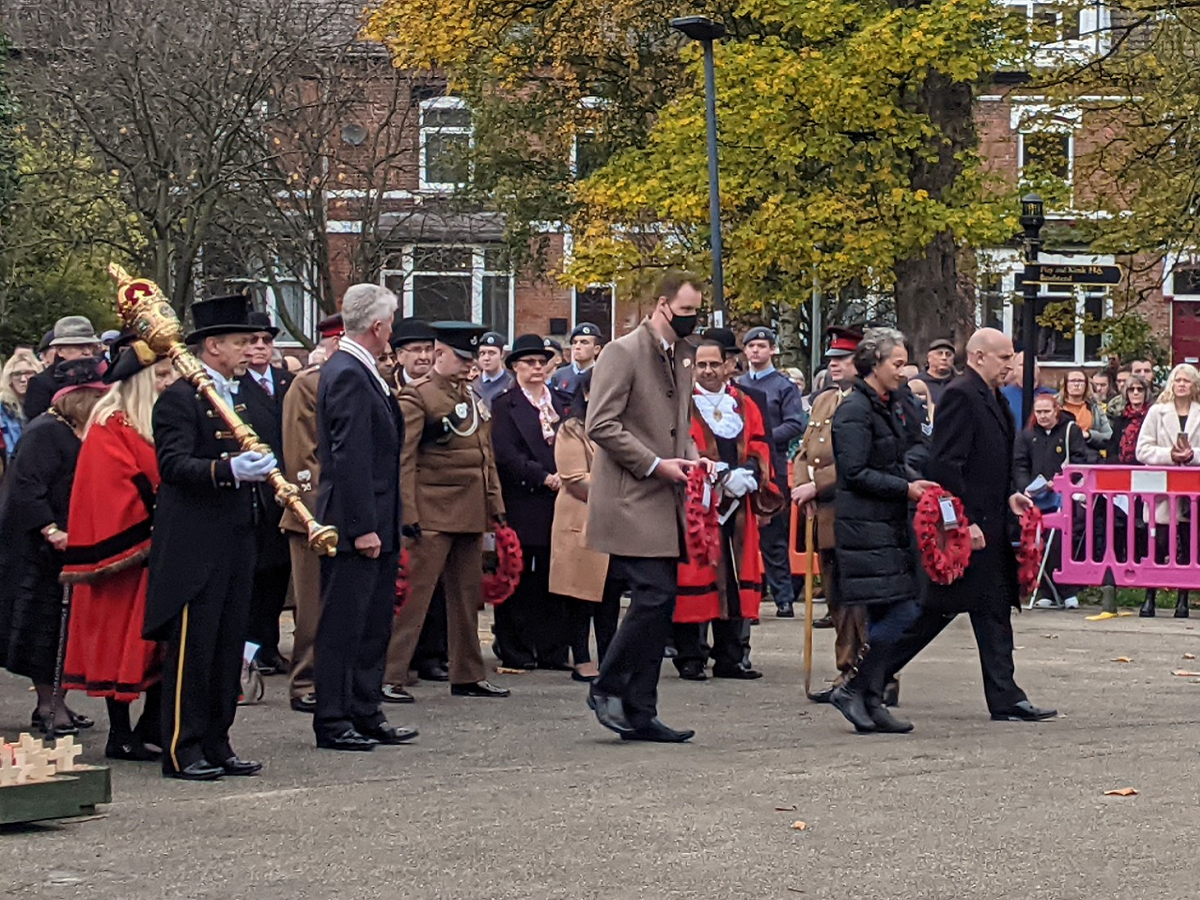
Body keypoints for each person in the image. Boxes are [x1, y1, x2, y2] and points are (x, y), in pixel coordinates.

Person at [866, 328, 1058, 724]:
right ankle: (864, 679)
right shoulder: (960, 395)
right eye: (1004, 357)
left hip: (992, 526)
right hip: (971, 530)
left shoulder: (993, 398)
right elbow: (946, 466)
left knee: (993, 612)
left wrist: (1010, 495)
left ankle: (1006, 696)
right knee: (932, 613)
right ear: (978, 356)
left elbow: (992, 462)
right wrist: (961, 523)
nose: (1010, 364)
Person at [146, 294, 273, 781]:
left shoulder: (236, 396)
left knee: (226, 645)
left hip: (236, 535)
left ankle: (219, 739)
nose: (249, 349)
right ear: (213, 345)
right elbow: (173, 466)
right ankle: (183, 746)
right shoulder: (181, 398)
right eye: (241, 342)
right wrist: (228, 470)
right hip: (193, 542)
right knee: (192, 648)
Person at [584, 271, 708, 744]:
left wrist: (697, 462)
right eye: (686, 310)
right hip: (631, 496)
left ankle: (641, 708)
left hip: (664, 494)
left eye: (696, 310)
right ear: (662, 305)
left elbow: (680, 423)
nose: (692, 319)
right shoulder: (622, 351)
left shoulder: (681, 355)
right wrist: (656, 464)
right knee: (654, 595)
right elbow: (601, 424)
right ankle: (608, 686)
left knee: (661, 602)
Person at [311, 285, 418, 751]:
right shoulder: (348, 372)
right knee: (344, 623)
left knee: (374, 621)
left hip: (380, 513)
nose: (393, 330)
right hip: (357, 520)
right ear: (377, 328)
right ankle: (333, 718)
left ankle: (365, 708)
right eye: (391, 322)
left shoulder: (364, 369)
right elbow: (349, 455)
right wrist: (362, 527)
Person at [61, 345, 178, 761]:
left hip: (159, 549)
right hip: (126, 556)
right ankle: (121, 732)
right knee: (121, 647)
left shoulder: (150, 422)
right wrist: (152, 521)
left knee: (157, 647)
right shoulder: (111, 424)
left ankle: (152, 726)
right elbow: (109, 491)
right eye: (161, 376)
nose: (169, 382)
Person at [386, 321, 510, 702]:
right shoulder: (417, 397)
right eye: (461, 357)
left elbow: (484, 456)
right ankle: (390, 673)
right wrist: (407, 513)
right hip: (433, 511)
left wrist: (496, 505)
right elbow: (403, 460)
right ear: (440, 354)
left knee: (466, 597)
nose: (468, 365)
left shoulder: (469, 396)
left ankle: (468, 673)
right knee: (415, 600)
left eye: (470, 359)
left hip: (470, 509)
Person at [824, 328, 935, 734]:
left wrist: (911, 480)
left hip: (886, 522)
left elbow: (904, 451)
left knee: (889, 611)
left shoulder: (889, 405)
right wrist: (905, 488)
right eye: (897, 364)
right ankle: (854, 686)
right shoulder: (854, 410)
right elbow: (853, 472)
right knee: (902, 610)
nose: (903, 371)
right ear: (875, 364)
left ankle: (870, 697)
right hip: (865, 525)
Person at [0, 358, 108, 738]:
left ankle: (59, 699)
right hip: (37, 549)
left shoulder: (86, 432)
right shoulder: (45, 432)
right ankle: (49, 704)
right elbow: (25, 487)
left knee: (66, 630)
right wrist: (50, 528)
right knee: (44, 629)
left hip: (75, 544)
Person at [673, 329, 783, 681]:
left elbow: (761, 444)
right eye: (700, 364)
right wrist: (715, 477)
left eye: (713, 364)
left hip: (740, 505)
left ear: (728, 366)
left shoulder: (744, 403)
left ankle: (731, 657)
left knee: (736, 578)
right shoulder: (681, 403)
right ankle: (690, 656)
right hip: (697, 505)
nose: (707, 370)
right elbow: (679, 445)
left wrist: (750, 474)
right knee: (698, 574)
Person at [791, 327, 880, 700]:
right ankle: (846, 670)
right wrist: (801, 486)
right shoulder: (826, 400)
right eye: (831, 359)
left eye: (841, 359)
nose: (834, 364)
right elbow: (804, 450)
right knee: (837, 598)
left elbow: (857, 461)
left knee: (862, 600)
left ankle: (873, 673)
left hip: (854, 512)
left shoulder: (869, 403)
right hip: (824, 514)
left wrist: (819, 485)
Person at [490, 334, 570, 671]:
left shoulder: (564, 401)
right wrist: (543, 476)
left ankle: (553, 649)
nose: (536, 368)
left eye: (541, 362)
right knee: (519, 575)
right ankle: (515, 648)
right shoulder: (504, 404)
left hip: (562, 500)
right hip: (525, 498)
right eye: (528, 363)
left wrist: (568, 474)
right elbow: (506, 453)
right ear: (515, 367)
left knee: (555, 576)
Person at [282, 313, 343, 714]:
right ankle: (305, 679)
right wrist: (313, 508)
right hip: (314, 512)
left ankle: (336, 677)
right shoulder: (308, 385)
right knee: (312, 603)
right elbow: (302, 453)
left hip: (349, 510)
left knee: (340, 602)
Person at [549, 369, 621, 682]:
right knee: (580, 596)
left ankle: (611, 657)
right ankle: (580, 657)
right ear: (588, 393)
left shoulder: (624, 428)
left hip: (617, 522)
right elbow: (575, 480)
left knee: (611, 596)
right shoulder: (572, 429)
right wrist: (622, 489)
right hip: (581, 517)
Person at [389, 317, 449, 685]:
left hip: (439, 503)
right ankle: (399, 659)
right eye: (416, 350)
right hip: (407, 497)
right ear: (399, 355)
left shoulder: (442, 390)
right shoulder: (391, 391)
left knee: (436, 587)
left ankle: (432, 654)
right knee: (406, 585)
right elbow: (403, 457)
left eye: (429, 350)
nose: (424, 357)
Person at [237, 311, 294, 675]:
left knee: (278, 574)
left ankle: (270, 645)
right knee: (253, 575)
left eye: (266, 341)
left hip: (284, 490)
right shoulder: (236, 386)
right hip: (253, 489)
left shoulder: (288, 382)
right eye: (253, 341)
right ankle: (251, 648)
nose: (260, 348)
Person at [737, 326, 806, 617]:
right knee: (742, 533)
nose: (756, 351)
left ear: (773, 350)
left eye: (762, 346)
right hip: (742, 464)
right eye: (751, 346)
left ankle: (784, 598)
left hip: (772, 466)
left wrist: (762, 437)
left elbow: (795, 424)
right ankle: (747, 595)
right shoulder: (738, 384)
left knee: (774, 535)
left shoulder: (783, 386)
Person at [1013, 393, 1090, 610]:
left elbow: (1079, 460)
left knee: (1061, 540)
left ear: (1056, 410)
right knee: (1038, 540)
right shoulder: (1026, 435)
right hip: (1035, 496)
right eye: (1039, 412)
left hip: (1062, 494)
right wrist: (1026, 486)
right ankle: (1046, 589)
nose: (1043, 416)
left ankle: (1067, 590)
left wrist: (1059, 481)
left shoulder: (1070, 430)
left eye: (1047, 411)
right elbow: (1020, 464)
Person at [1135, 363, 1200, 619]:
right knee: (1157, 543)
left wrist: (1192, 455)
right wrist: (1169, 455)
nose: (1181, 384)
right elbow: (1143, 449)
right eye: (1177, 380)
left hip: (1193, 491)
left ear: (1194, 385)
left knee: (1188, 544)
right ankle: (1149, 596)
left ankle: (1183, 599)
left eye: (1186, 380)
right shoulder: (1157, 412)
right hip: (1161, 487)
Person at [23, 316, 102, 420]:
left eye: (90, 346)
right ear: (60, 350)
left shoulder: (103, 377)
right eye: (80, 346)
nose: (87, 352)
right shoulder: (41, 384)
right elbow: (38, 428)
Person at [1058, 368, 1111, 459]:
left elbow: (1109, 435)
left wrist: (1090, 435)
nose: (1077, 384)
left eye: (1080, 381)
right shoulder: (1056, 406)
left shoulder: (1095, 408)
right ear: (1065, 384)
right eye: (1072, 381)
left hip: (1087, 458)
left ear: (1086, 385)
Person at [1, 349, 43, 462]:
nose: (23, 379)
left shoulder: (47, 405)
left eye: (29, 373)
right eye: (17, 374)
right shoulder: (2, 409)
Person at [551, 322, 603, 395]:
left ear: (596, 349)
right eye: (574, 342)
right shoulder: (559, 375)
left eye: (584, 342)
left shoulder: (602, 375)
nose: (577, 347)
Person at [473, 331, 515, 408]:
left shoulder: (512, 385)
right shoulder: (473, 386)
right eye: (482, 353)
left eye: (491, 353)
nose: (486, 358)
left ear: (502, 354)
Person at [912, 337, 957, 405]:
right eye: (939, 353)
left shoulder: (960, 383)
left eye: (948, 354)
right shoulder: (916, 383)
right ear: (929, 358)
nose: (944, 358)